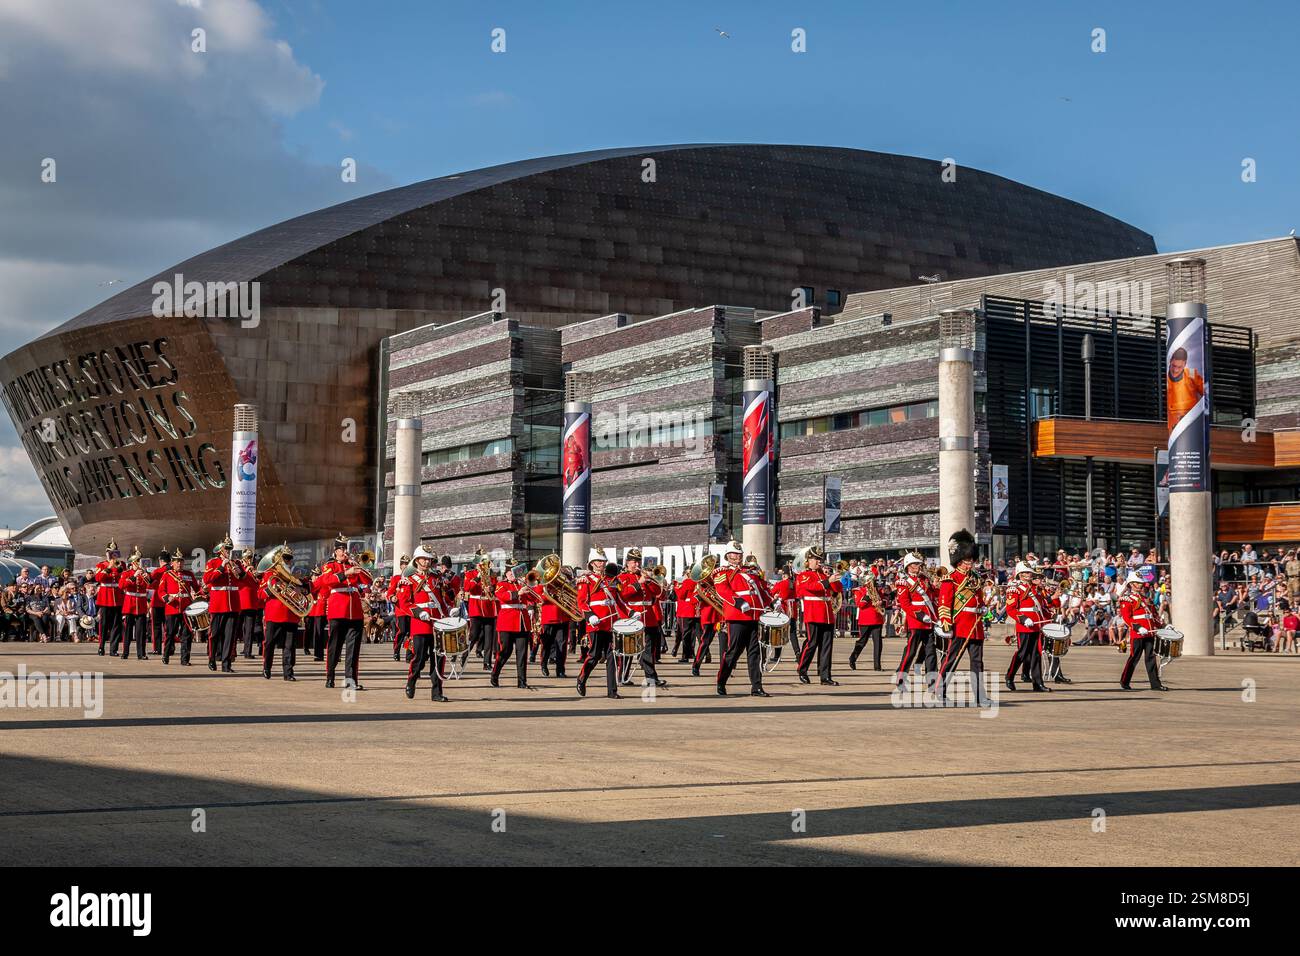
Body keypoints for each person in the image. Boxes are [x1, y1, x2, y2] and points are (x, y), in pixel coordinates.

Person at [711, 540, 770, 698]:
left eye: (739, 554)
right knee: (733, 652)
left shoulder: (750, 571)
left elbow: (760, 590)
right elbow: (722, 590)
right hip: (737, 615)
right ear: (728, 556)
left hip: (753, 615)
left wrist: (771, 601)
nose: (738, 556)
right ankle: (721, 681)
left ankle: (756, 686)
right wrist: (738, 602)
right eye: (735, 554)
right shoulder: (721, 572)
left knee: (754, 652)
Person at [935, 530, 989, 704]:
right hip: (959, 624)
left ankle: (980, 696)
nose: (969, 564)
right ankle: (940, 690)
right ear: (959, 560)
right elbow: (944, 605)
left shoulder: (975, 579)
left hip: (975, 626)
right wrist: (946, 624)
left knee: (977, 663)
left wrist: (982, 609)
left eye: (971, 560)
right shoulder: (950, 579)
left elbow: (979, 600)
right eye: (966, 561)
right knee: (952, 660)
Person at [313, 534, 373, 690]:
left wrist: (358, 567)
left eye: (346, 550)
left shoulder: (352, 564)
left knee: (353, 649)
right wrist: (345, 573)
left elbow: (368, 581)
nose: (345, 553)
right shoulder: (330, 565)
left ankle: (351, 680)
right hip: (338, 610)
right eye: (342, 549)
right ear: (336, 551)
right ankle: (330, 676)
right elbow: (326, 580)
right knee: (335, 645)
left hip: (355, 612)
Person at [404, 547, 450, 702]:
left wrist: (450, 611)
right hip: (421, 623)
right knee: (420, 657)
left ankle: (437, 692)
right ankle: (412, 679)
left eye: (429, 559)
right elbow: (404, 602)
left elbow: (442, 600)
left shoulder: (436, 578)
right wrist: (418, 612)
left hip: (437, 622)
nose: (427, 562)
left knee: (439, 658)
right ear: (417, 560)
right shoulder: (408, 579)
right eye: (424, 559)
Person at [576, 556, 624, 699]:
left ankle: (612, 691)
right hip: (596, 622)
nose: (602, 563)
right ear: (592, 563)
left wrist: (631, 612)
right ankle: (581, 678)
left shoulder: (613, 580)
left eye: (603, 561)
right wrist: (590, 615)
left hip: (611, 624)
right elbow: (582, 601)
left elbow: (619, 601)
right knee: (594, 655)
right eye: (599, 561)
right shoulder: (586, 580)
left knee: (613, 657)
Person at [491, 557, 542, 690]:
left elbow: (536, 598)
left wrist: (533, 586)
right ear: (507, 573)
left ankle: (522, 681)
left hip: (522, 623)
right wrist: (518, 592)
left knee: (522, 653)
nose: (513, 575)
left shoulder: (522, 584)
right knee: (505, 651)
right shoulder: (501, 584)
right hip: (507, 623)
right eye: (510, 572)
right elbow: (502, 596)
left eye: (515, 572)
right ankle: (495, 674)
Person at [794, 546, 842, 685]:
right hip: (813, 613)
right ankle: (802, 669)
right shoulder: (803, 575)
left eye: (819, 559)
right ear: (808, 560)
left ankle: (825, 675)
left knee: (827, 646)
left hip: (827, 614)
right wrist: (828, 581)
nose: (818, 562)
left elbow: (837, 590)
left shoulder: (824, 575)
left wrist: (835, 578)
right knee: (811, 643)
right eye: (815, 559)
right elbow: (811, 587)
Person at [892, 553, 937, 689]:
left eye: (919, 564)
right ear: (908, 567)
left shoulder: (925, 579)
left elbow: (932, 595)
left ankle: (932, 682)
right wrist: (920, 615)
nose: (919, 566)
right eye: (915, 564)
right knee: (911, 652)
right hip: (916, 621)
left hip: (929, 620)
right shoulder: (903, 582)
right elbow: (905, 604)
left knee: (931, 652)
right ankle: (901, 678)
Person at [257, 544, 301, 681]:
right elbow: (260, 594)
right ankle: (267, 667)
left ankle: (288, 672)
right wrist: (272, 589)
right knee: (269, 642)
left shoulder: (295, 576)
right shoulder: (270, 574)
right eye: (284, 558)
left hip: (291, 614)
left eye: (289, 558)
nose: (287, 561)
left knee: (290, 646)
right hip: (274, 614)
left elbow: (303, 591)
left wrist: (299, 591)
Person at [1118, 571, 1167, 691]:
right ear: (1131, 584)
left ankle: (1155, 684)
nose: (1141, 585)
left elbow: (1152, 615)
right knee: (1134, 657)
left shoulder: (1145, 599)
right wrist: (1138, 627)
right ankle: (1124, 681)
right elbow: (1126, 617)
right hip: (1138, 633)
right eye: (1138, 583)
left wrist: (1161, 625)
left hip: (1149, 632)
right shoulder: (1127, 599)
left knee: (1151, 658)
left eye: (1141, 583)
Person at [1004, 562, 1048, 692]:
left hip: (1037, 624)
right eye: (1027, 572)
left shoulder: (1036, 588)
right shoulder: (1014, 588)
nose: (1030, 574)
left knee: (1036, 654)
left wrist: (1052, 615)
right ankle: (1010, 676)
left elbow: (1042, 607)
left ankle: (1037, 683)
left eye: (1030, 572)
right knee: (1022, 653)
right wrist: (1023, 619)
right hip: (1025, 625)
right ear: (1020, 574)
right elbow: (1010, 609)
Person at [203, 535, 244, 672]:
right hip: (218, 604)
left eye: (230, 549)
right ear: (221, 550)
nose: (228, 551)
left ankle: (226, 664)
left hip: (233, 604)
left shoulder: (236, 563)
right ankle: (212, 659)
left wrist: (241, 573)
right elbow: (207, 579)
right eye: (226, 548)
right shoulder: (213, 562)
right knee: (214, 634)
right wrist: (221, 566)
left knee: (230, 636)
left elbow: (242, 581)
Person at [157, 547, 199, 665]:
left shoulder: (189, 574)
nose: (179, 563)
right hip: (172, 607)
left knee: (187, 635)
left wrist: (202, 592)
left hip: (186, 608)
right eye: (176, 561)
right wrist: (167, 598)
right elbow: (161, 591)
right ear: (172, 563)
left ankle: (185, 659)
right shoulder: (167, 575)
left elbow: (196, 588)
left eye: (181, 561)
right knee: (170, 633)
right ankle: (166, 655)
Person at [94, 539, 125, 656]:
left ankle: (114, 649)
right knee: (104, 624)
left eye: (115, 552)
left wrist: (119, 569)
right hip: (105, 597)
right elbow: (97, 578)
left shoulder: (121, 565)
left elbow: (123, 578)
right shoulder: (101, 565)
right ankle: (101, 647)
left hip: (117, 596)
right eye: (111, 552)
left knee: (116, 625)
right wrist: (108, 568)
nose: (113, 554)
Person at [848, 571, 884, 670]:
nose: (873, 582)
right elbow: (860, 604)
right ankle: (853, 658)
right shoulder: (858, 590)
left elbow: (884, 600)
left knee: (878, 643)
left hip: (877, 619)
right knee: (862, 642)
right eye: (870, 580)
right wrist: (868, 595)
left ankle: (877, 666)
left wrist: (881, 602)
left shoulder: (878, 590)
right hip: (865, 620)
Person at [119, 548, 151, 660]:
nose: (139, 564)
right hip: (130, 604)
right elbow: (121, 585)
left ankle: (141, 653)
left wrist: (148, 578)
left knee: (141, 631)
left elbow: (150, 586)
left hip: (141, 604)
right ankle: (125, 652)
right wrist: (133, 576)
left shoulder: (145, 573)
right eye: (137, 562)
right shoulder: (126, 573)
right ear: (133, 563)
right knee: (127, 630)